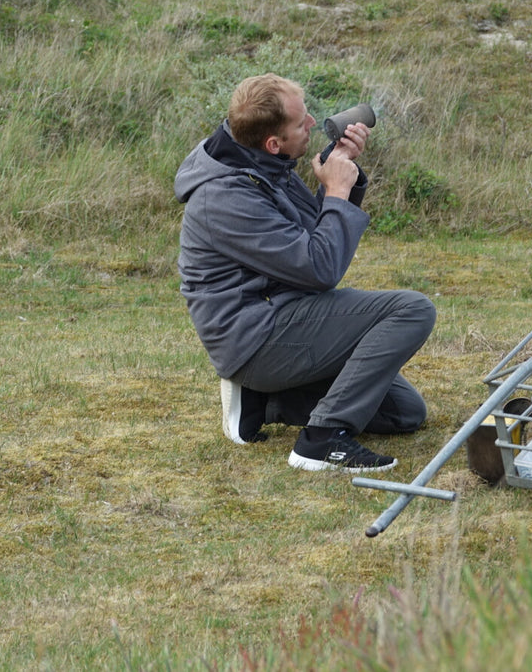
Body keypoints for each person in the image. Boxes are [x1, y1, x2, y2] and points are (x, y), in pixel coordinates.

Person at [174, 73, 436, 473]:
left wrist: (343, 172)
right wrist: (336, 192)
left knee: (405, 412)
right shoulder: (225, 196)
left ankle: (265, 401)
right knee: (411, 310)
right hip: (255, 336)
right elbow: (319, 268)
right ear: (273, 142)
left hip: (282, 314)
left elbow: (308, 239)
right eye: (301, 122)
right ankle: (321, 441)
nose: (313, 122)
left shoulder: (262, 164)